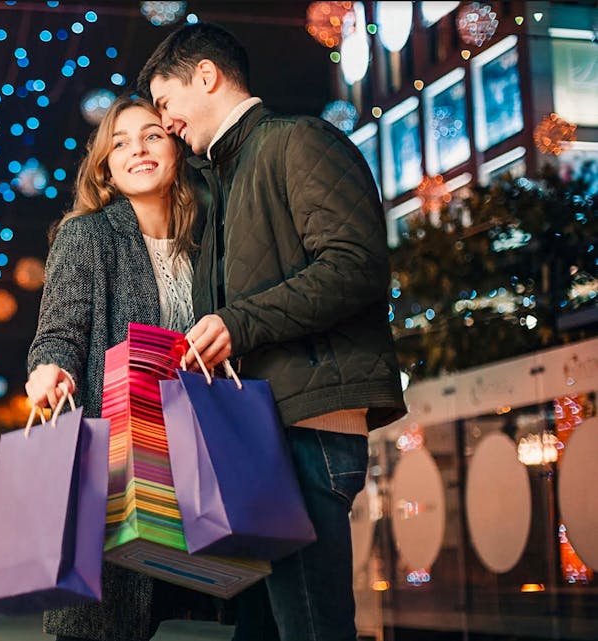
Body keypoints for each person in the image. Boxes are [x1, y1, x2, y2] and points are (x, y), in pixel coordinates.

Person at [138, 22, 407, 641]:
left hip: (306, 430)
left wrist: (236, 324)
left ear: (205, 76)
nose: (166, 120)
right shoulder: (225, 182)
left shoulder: (298, 141)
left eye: (165, 102)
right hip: (263, 437)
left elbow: (354, 266)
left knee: (311, 627)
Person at [26, 95, 209, 641]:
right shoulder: (90, 236)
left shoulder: (207, 241)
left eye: (152, 135)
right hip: (118, 459)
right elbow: (60, 331)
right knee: (104, 627)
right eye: (121, 143)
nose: (138, 150)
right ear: (106, 166)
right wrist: (47, 369)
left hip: (193, 456)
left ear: (175, 145)